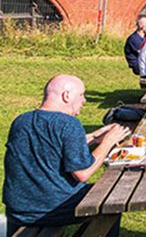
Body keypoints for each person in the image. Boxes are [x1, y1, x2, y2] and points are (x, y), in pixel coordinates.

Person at [2, 75, 131, 236]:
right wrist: (108, 142)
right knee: (112, 199)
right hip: (50, 209)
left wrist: (94, 137)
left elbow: (52, 145)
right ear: (67, 95)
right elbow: (82, 173)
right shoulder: (68, 124)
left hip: (18, 208)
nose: (84, 100)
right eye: (81, 95)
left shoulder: (22, 121)